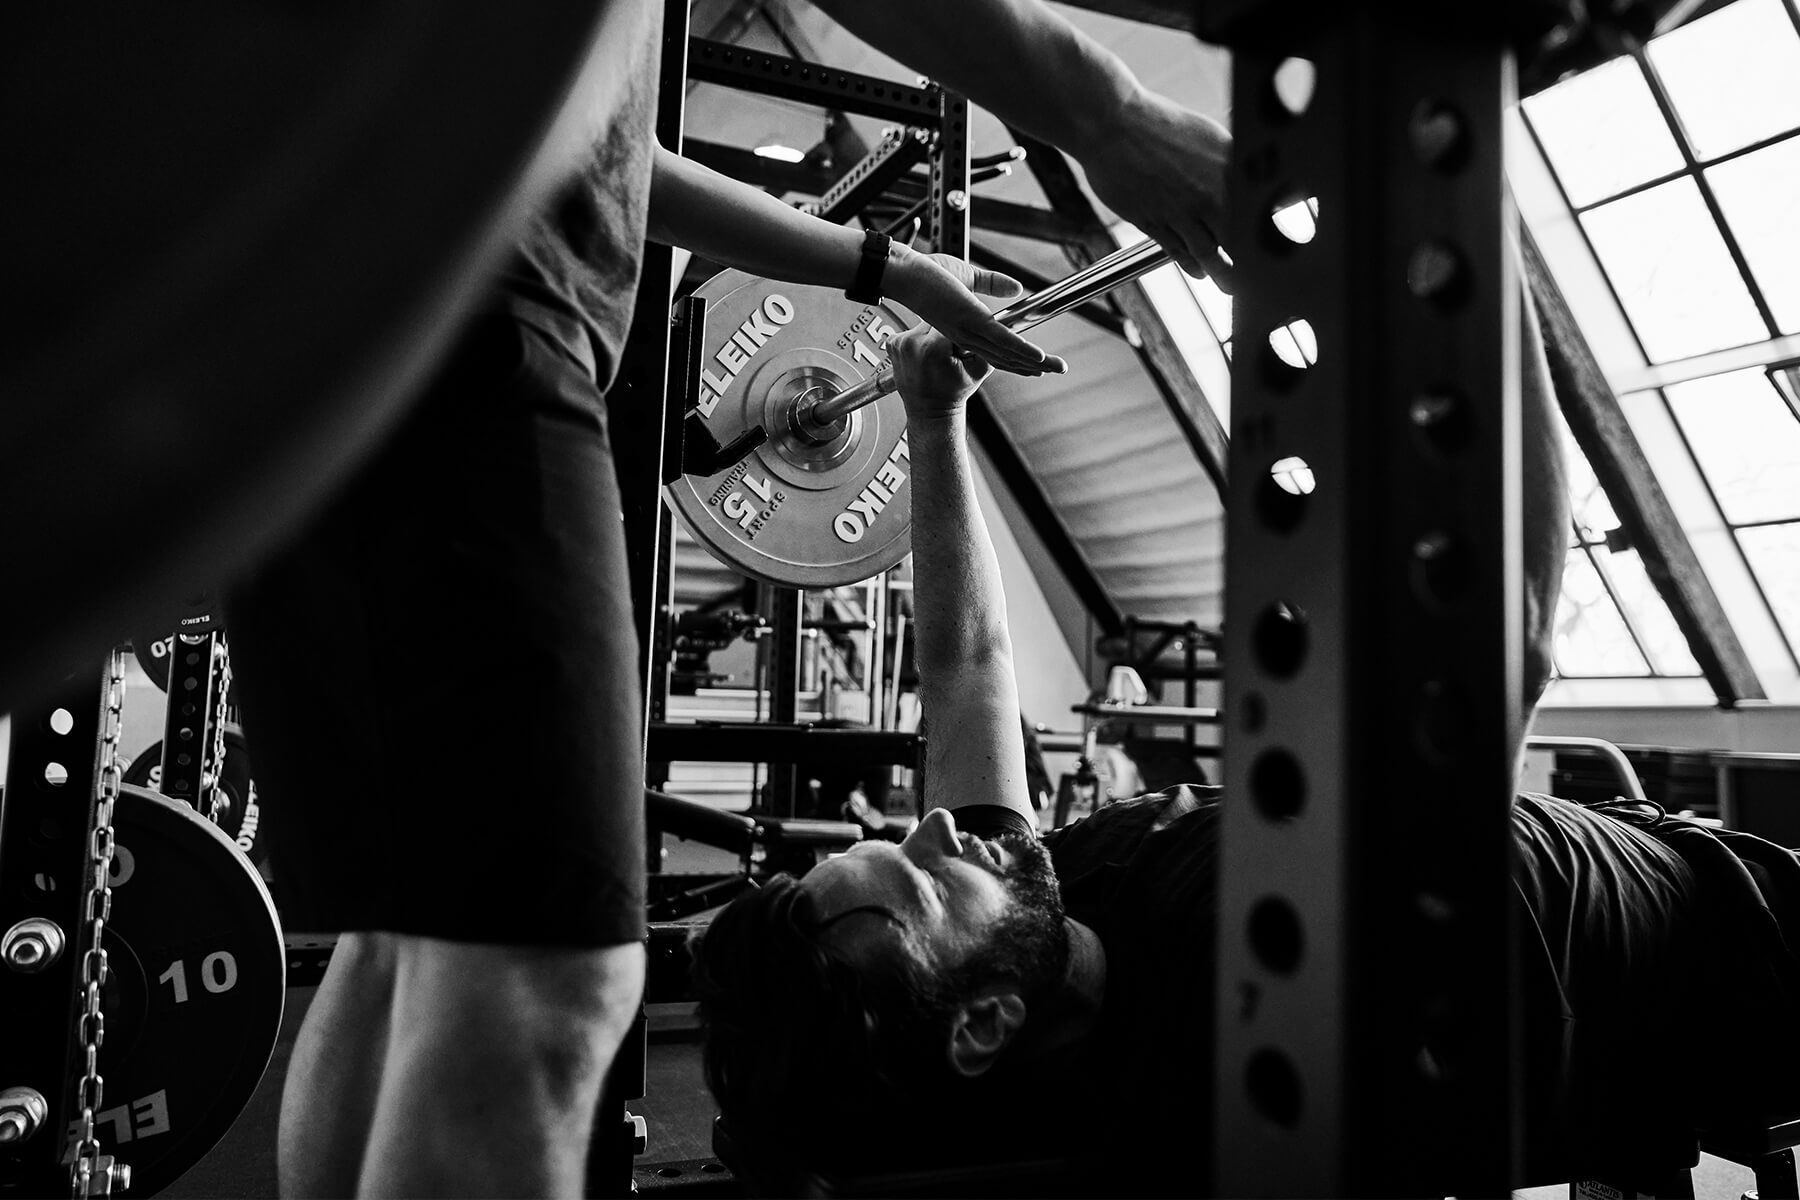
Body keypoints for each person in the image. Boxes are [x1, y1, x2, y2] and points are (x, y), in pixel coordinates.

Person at [223, 3, 1239, 1196]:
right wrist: (1108, 111)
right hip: (476, 321)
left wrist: (892, 281)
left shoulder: (1030, 901)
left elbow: (599, 150)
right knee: (543, 971)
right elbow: (966, 663)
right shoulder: (1074, 926)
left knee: (411, 938)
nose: (931, 831)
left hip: (314, 306)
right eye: (919, 870)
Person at [689, 320, 1800, 1189]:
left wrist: (934, 418)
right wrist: (1487, 232)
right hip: (1753, 961)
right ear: (982, 1024)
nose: (936, 828)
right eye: (930, 876)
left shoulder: (1014, 958)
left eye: (903, 840)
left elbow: (969, 666)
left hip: (1671, 879)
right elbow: (1516, 637)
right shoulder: (1260, 998)